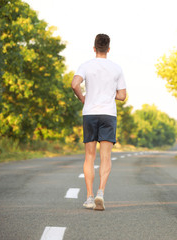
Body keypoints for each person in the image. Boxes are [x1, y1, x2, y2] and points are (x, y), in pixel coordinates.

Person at [71, 33, 126, 211]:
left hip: (90, 114)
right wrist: (110, 93)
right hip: (108, 115)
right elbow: (122, 96)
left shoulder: (86, 66)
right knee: (105, 157)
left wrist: (83, 99)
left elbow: (74, 84)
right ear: (108, 49)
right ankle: (101, 192)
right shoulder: (116, 68)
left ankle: (89, 197)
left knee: (89, 156)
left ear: (94, 48)